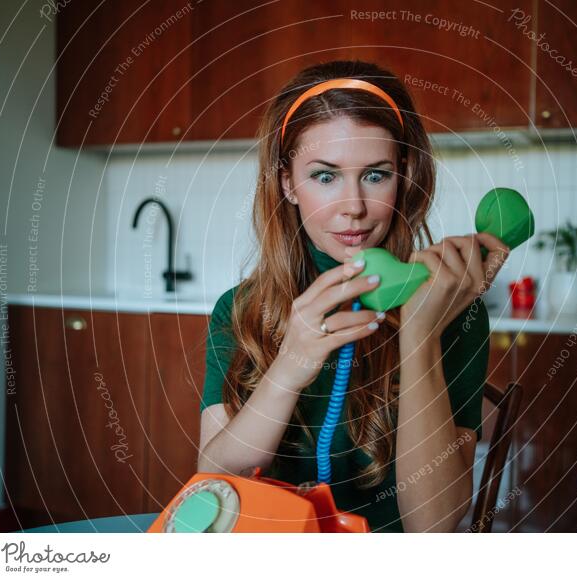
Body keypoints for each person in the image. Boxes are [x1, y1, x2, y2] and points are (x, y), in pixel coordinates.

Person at [197, 60, 509, 533]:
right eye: (325, 176)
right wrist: (292, 362)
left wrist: (421, 333)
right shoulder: (239, 311)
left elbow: (434, 524)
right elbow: (213, 485)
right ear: (288, 183)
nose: (355, 207)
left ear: (403, 176)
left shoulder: (455, 313)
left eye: (376, 174)